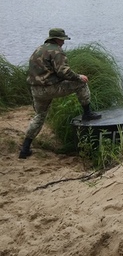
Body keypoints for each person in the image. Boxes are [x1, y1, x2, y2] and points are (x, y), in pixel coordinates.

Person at [18, 27, 101, 159]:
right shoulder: (57, 51)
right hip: (51, 88)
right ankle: (87, 113)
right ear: (58, 39)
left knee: (39, 116)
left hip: (36, 90)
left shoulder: (38, 50)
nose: (63, 42)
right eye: (62, 40)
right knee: (81, 84)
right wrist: (79, 76)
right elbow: (64, 72)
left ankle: (25, 148)